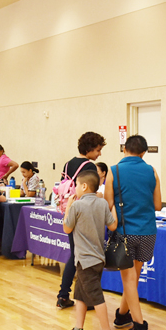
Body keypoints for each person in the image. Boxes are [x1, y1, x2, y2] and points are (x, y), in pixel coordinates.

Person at [103, 135, 162, 330]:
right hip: (148, 231)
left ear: (124, 149)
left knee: (128, 280)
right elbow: (157, 206)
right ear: (144, 152)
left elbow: (108, 203)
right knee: (133, 278)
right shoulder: (151, 171)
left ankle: (139, 325)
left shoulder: (114, 170)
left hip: (125, 232)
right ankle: (121, 316)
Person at [62, 170, 118, 330]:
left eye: (77, 185)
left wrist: (68, 207)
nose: (75, 189)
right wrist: (114, 206)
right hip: (97, 259)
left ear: (84, 186)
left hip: (86, 260)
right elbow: (113, 225)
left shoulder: (77, 206)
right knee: (80, 294)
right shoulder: (102, 204)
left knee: (95, 296)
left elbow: (67, 228)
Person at [56, 131, 106, 309]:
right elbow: (92, 194)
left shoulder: (68, 163)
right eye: (98, 150)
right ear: (91, 148)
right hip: (84, 214)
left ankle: (64, 295)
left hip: (70, 210)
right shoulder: (90, 167)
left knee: (74, 254)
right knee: (82, 257)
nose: (99, 154)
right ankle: (85, 298)